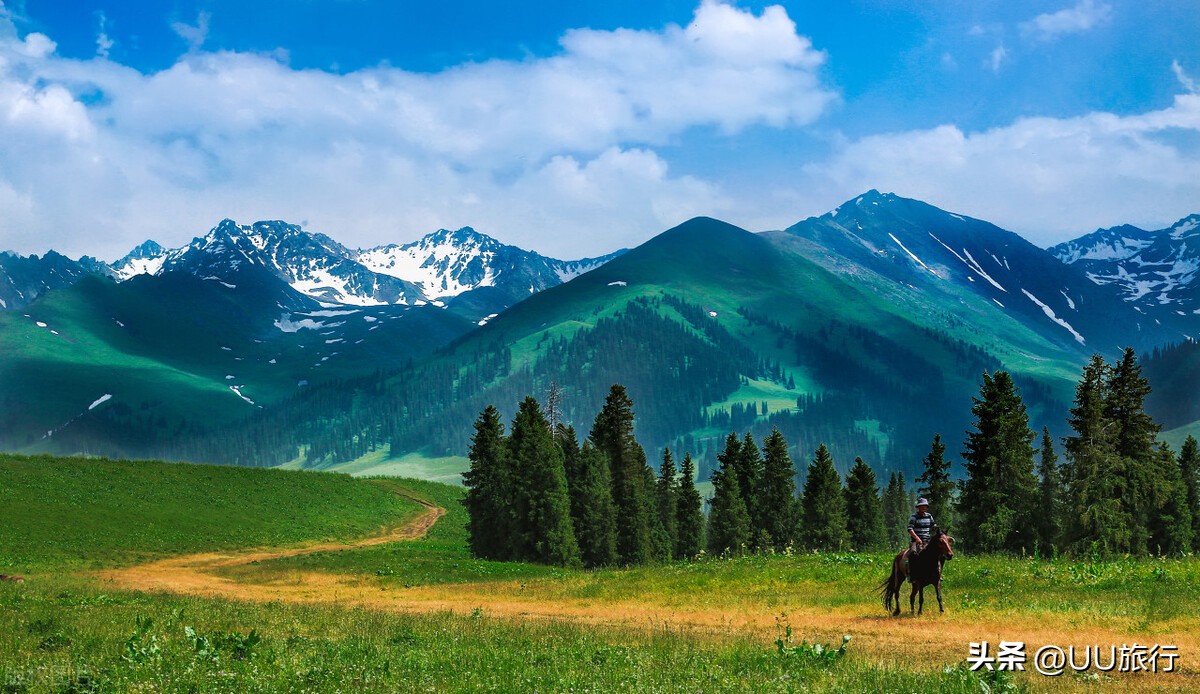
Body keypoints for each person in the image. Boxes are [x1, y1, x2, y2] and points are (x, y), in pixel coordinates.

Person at [904, 498, 935, 576]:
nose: (924, 507)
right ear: (918, 507)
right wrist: (917, 538)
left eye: (925, 506)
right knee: (913, 553)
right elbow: (910, 529)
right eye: (922, 506)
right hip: (916, 541)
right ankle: (911, 573)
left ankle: (936, 573)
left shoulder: (929, 516)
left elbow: (933, 526)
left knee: (937, 553)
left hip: (927, 540)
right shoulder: (914, 516)